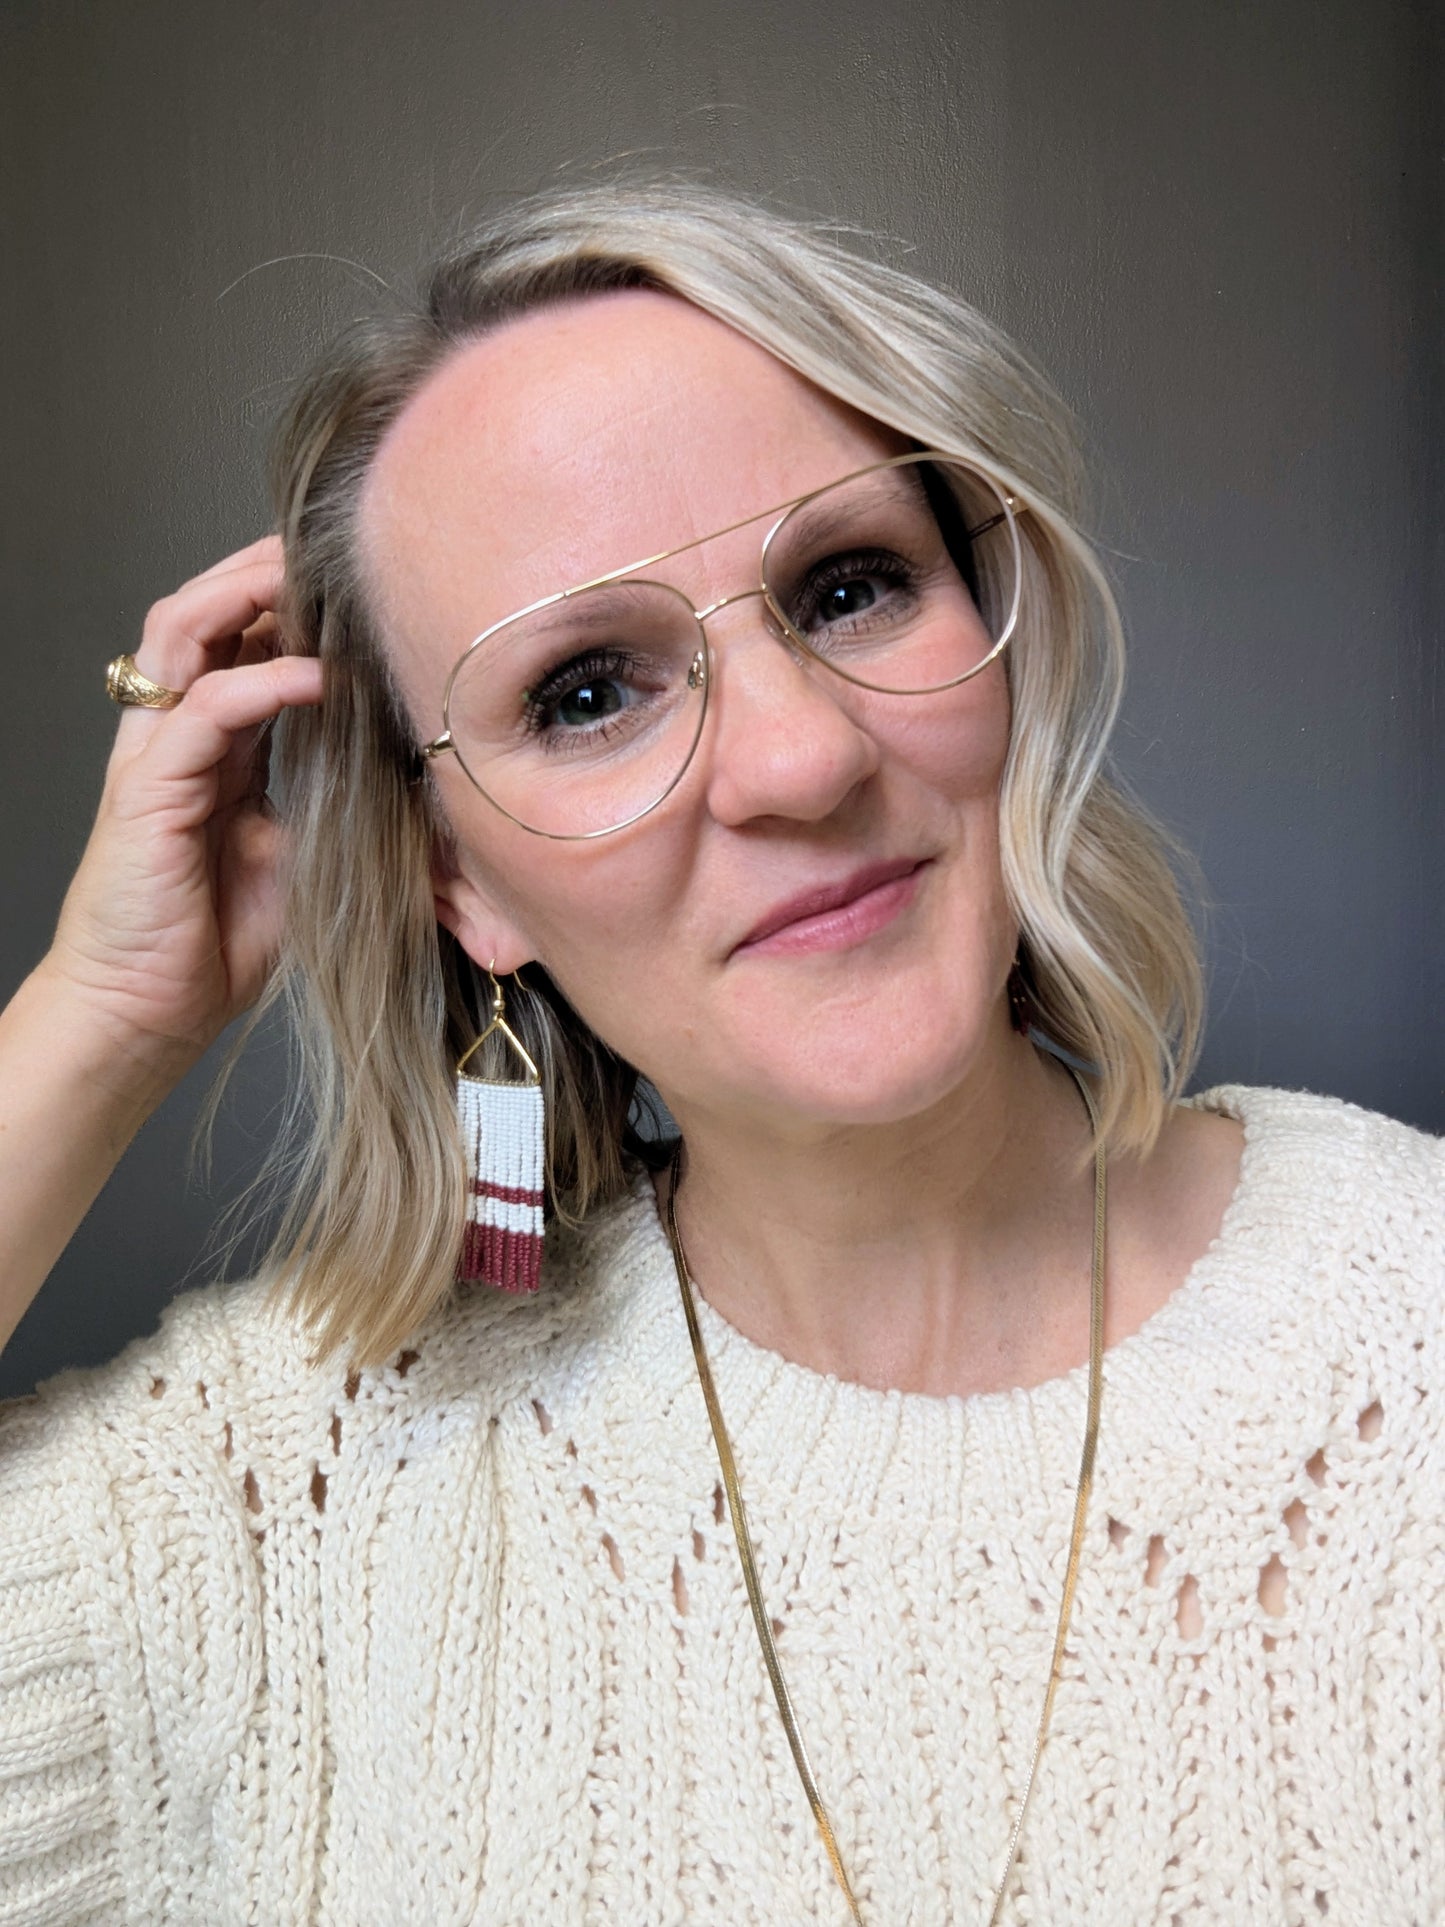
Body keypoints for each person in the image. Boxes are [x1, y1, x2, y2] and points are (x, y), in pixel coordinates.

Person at [0, 180, 1440, 1927]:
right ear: (458, 878)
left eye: (849, 586)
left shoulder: (1409, 1312)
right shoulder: (273, 1503)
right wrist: (99, 1010)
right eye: (587, 690)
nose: (799, 762)